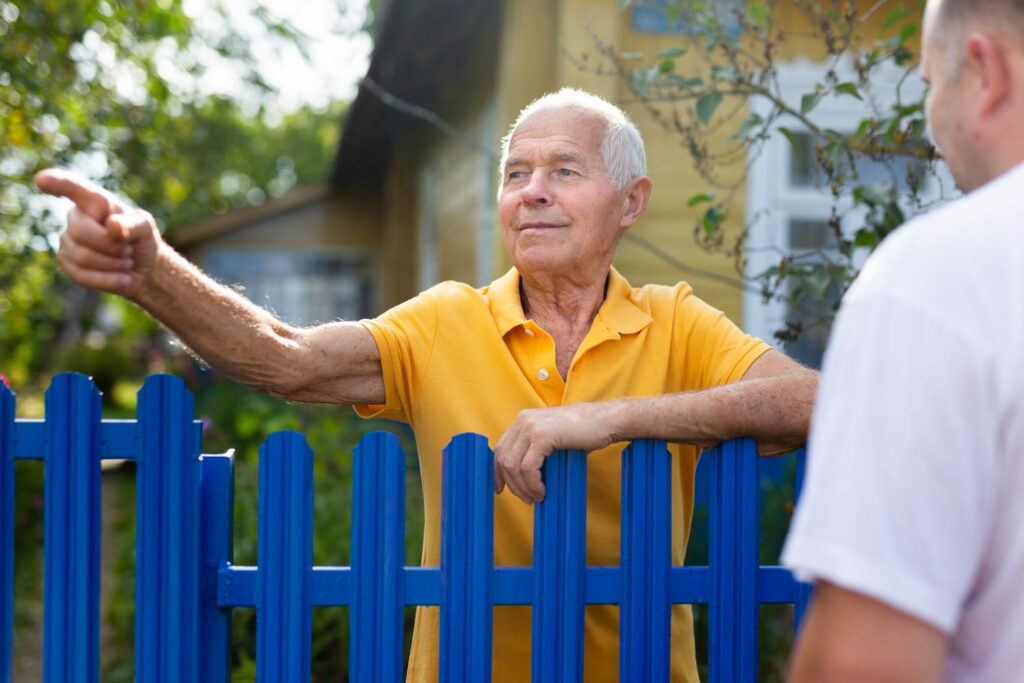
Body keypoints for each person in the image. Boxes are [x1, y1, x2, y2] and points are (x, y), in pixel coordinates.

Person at [37, 88, 816, 682]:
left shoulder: (676, 323)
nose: (531, 191)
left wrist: (609, 417)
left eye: (563, 171)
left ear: (631, 203)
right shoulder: (448, 321)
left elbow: (809, 404)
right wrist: (150, 272)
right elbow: (289, 357)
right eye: (517, 174)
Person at [782, 0, 1024, 680]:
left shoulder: (938, 277)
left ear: (986, 71)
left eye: (928, 85)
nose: (930, 119)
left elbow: (862, 662)